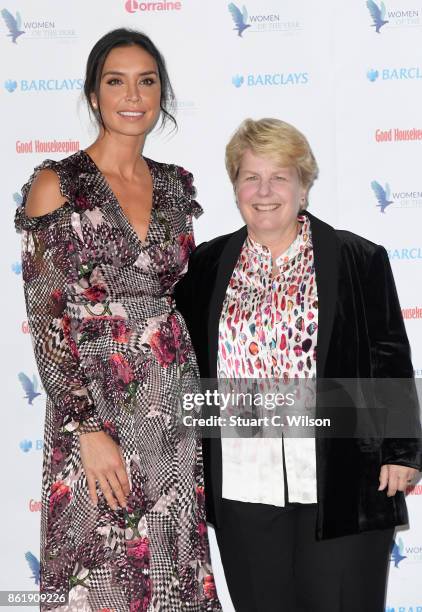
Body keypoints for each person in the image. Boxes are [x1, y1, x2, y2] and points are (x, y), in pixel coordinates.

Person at [175, 118, 422, 612]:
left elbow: (389, 353)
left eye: (279, 177)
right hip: (241, 484)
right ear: (235, 186)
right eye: (250, 177)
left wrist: (402, 450)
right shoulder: (206, 265)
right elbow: (180, 356)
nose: (264, 191)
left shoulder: (357, 257)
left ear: (304, 186)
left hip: (343, 479)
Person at [15, 28, 221, 612]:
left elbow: (184, 297)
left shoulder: (178, 187)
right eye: (115, 81)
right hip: (97, 407)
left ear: (161, 94)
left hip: (170, 403)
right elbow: (48, 318)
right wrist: (87, 429)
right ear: (93, 94)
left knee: (172, 569)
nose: (133, 95)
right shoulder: (60, 184)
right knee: (102, 571)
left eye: (146, 80)